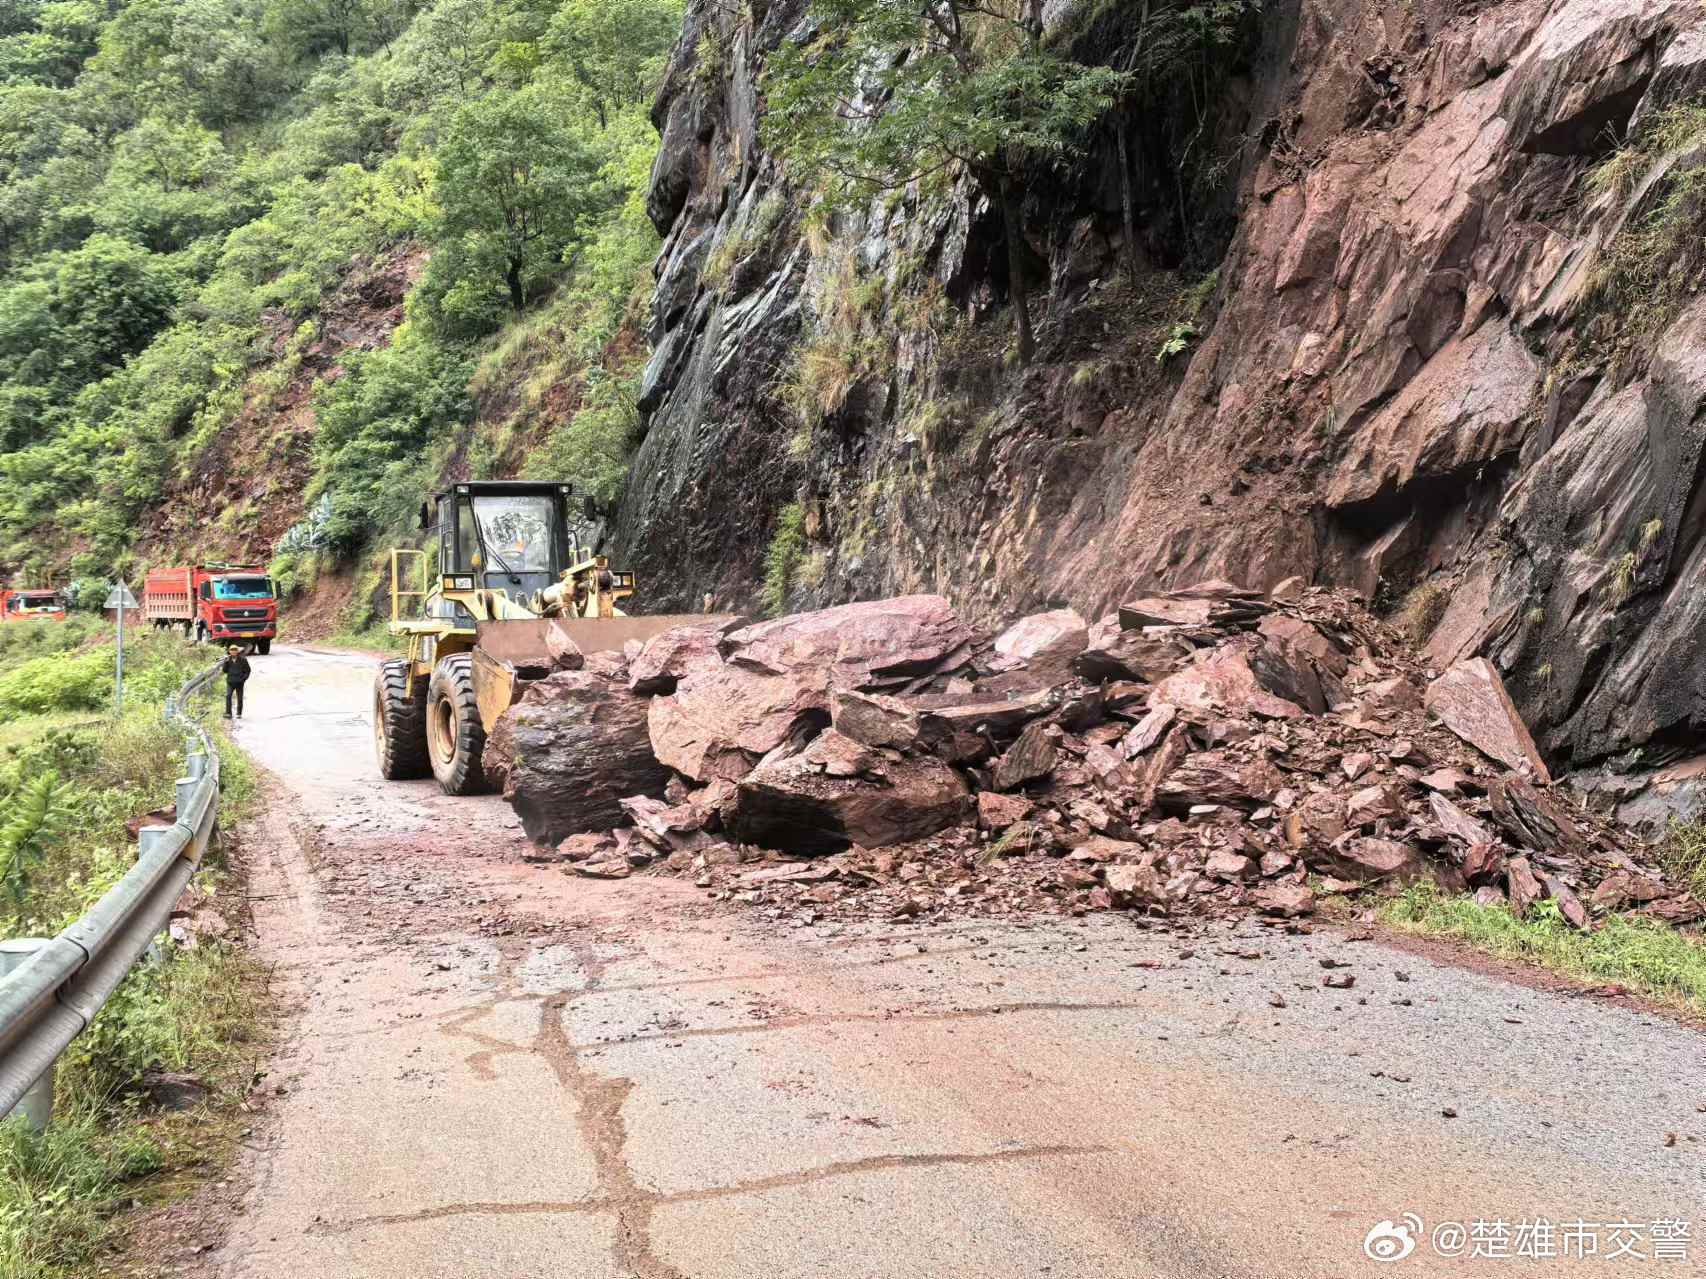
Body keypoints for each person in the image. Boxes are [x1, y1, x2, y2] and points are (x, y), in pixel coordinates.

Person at [222, 645, 252, 718]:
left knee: (240, 698)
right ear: (229, 651)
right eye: (232, 650)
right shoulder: (227, 660)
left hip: (239, 682)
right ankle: (228, 713)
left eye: (235, 650)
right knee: (228, 696)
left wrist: (243, 679)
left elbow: (248, 670)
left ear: (237, 651)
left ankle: (239, 713)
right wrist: (225, 662)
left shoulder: (243, 659)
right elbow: (224, 671)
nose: (233, 651)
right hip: (230, 681)